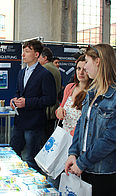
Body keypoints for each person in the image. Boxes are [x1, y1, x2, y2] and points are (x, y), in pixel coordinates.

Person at [65, 44, 116, 196]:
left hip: (103, 172)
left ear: (98, 61)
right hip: (84, 167)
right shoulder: (91, 92)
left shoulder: (113, 97)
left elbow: (110, 139)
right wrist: (73, 153)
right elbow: (81, 123)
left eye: (86, 62)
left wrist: (82, 162)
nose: (84, 67)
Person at [10, 40, 56, 170]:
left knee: (31, 159)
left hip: (34, 124)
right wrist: (15, 100)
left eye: (27, 51)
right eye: (23, 51)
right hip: (19, 122)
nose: (23, 54)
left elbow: (50, 99)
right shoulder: (21, 73)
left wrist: (27, 102)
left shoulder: (45, 74)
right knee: (14, 154)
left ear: (36, 54)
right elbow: (20, 93)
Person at [56, 55, 92, 135]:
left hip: (80, 136)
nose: (81, 72)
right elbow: (61, 107)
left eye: (85, 69)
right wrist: (59, 111)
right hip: (64, 134)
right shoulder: (70, 87)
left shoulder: (92, 92)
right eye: (78, 68)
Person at [38, 47, 62, 138]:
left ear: (45, 58)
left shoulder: (44, 69)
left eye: (39, 57)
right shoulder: (56, 69)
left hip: (46, 110)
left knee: (43, 138)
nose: (38, 59)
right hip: (54, 109)